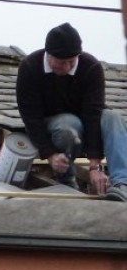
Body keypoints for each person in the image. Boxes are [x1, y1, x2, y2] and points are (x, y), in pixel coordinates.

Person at [15, 22, 127, 201]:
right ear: (48, 54)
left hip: (87, 125)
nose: (66, 67)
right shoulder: (30, 67)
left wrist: (94, 166)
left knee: (113, 118)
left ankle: (122, 184)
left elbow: (93, 114)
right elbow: (31, 118)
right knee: (68, 124)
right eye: (61, 62)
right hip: (55, 126)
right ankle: (66, 179)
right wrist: (50, 155)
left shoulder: (91, 67)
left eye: (71, 61)